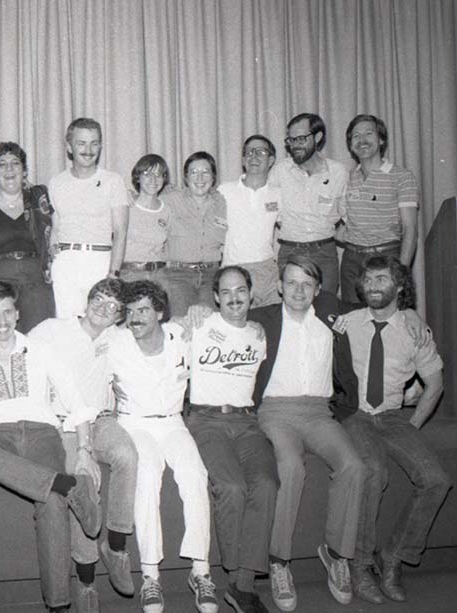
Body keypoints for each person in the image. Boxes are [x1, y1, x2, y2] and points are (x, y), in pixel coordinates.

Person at [0, 281, 101, 613]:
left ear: (17, 313)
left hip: (42, 433)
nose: (1, 322)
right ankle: (65, 484)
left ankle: (58, 605)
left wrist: (84, 450)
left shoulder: (41, 350)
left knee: (53, 503)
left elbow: (76, 400)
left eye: (7, 312)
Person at [247, 256, 367, 610]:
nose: (299, 290)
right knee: (290, 467)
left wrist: (341, 409)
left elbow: (347, 369)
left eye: (307, 284)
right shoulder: (261, 320)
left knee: (354, 467)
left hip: (318, 412)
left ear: (318, 290)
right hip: (275, 411)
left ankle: (336, 554)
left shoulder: (331, 323)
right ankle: (278, 560)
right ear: (280, 286)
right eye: (292, 282)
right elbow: (224, 317)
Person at [332, 255, 451, 605]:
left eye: (381, 280)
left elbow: (435, 385)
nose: (372, 286)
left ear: (399, 287)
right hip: (355, 414)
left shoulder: (415, 331)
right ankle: (361, 563)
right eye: (368, 280)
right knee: (373, 471)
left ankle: (393, 557)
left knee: (436, 479)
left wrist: (412, 426)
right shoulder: (346, 322)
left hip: (395, 417)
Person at [105, 281, 216, 613]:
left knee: (195, 474)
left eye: (143, 310)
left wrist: (205, 310)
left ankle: (200, 571)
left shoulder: (181, 335)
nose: (135, 318)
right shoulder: (115, 342)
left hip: (172, 422)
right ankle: (151, 578)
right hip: (134, 423)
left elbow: (227, 325)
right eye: (130, 311)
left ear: (160, 313)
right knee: (149, 472)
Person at [29, 279, 139, 612]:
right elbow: (10, 344)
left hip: (101, 420)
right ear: (87, 299)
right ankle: (86, 578)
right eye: (98, 299)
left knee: (127, 454)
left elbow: (160, 331)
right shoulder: (52, 329)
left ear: (119, 316)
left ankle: (116, 546)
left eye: (112, 307)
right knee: (82, 484)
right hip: (63, 423)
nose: (102, 308)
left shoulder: (119, 337)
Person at [185, 266, 277, 613]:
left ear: (251, 294)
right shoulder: (199, 324)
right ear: (215, 298)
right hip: (206, 419)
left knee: (266, 484)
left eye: (241, 290)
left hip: (246, 421)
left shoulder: (259, 334)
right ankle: (240, 580)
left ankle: (241, 585)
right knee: (231, 487)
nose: (234, 297)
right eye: (226, 292)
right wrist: (190, 312)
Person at [49, 117, 129, 318]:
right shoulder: (56, 182)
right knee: (68, 327)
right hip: (66, 263)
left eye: (94, 143)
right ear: (69, 147)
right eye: (81, 143)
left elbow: (121, 232)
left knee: (102, 326)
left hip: (101, 262)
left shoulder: (113, 181)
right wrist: (53, 259)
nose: (88, 149)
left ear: (100, 146)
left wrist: (114, 274)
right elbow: (55, 228)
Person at [0, 142, 55, 332]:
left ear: (24, 171)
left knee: (41, 336)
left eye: (15, 163)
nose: (9, 169)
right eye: (2, 164)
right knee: (2, 337)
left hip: (34, 277)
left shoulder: (40, 197)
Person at [339, 114, 419, 303]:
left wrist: (402, 274)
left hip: (386, 258)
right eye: (356, 136)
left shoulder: (402, 176)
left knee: (387, 318)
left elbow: (410, 230)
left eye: (369, 133)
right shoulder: (347, 177)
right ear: (351, 144)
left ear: (381, 139)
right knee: (354, 321)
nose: (362, 140)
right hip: (351, 259)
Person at [269, 113, 348, 293]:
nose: (295, 145)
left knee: (326, 308)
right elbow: (272, 212)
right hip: (290, 251)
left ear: (318, 137)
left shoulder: (338, 172)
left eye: (301, 139)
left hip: (325, 253)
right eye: (291, 140)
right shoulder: (280, 171)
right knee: (291, 312)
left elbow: (348, 213)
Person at [161, 151, 227, 316]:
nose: (200, 178)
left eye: (205, 172)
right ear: (186, 177)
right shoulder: (169, 200)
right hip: (178, 277)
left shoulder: (222, 202)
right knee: (182, 329)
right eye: (194, 172)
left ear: (213, 177)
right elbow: (145, 202)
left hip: (212, 276)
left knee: (210, 330)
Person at [218, 136, 282, 307]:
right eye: (249, 152)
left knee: (273, 325)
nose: (254, 156)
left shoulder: (279, 194)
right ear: (243, 160)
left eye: (261, 152)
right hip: (234, 270)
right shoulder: (224, 191)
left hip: (268, 271)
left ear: (271, 160)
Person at [119, 155, 172, 288]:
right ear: (138, 177)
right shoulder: (125, 204)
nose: (153, 180)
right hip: (129, 275)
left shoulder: (167, 210)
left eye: (158, 175)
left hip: (159, 276)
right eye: (147, 174)